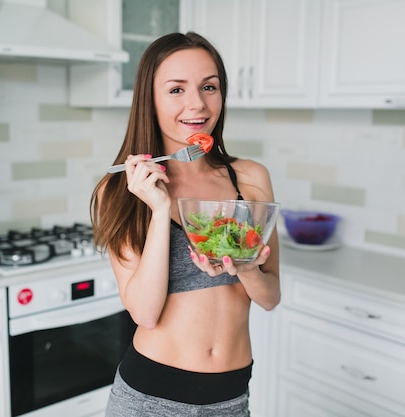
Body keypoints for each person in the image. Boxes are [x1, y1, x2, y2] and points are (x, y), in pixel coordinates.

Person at [90, 32, 281, 417]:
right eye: (176, 89)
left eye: (209, 86)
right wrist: (160, 210)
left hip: (231, 398)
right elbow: (144, 313)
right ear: (150, 98)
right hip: (150, 398)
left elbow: (270, 297)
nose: (197, 103)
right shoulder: (122, 190)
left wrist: (244, 268)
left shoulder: (250, 177)